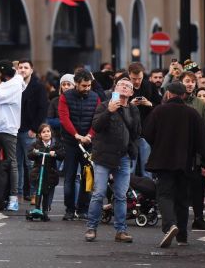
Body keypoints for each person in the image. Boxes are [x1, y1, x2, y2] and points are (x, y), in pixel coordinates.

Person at [144, 82, 205, 248]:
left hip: (163, 161)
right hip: (185, 163)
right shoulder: (192, 113)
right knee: (182, 199)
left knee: (164, 194)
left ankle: (169, 225)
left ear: (168, 94)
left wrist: (158, 144)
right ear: (183, 95)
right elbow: (202, 140)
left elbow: (147, 133)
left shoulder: (159, 111)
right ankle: (182, 236)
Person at [85, 78, 140, 244]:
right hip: (103, 156)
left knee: (121, 195)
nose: (124, 87)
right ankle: (91, 228)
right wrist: (109, 111)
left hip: (123, 157)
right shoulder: (104, 105)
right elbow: (96, 126)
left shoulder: (133, 109)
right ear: (115, 88)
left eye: (128, 86)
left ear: (131, 93)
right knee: (99, 193)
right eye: (121, 85)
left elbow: (137, 133)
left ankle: (121, 231)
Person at [58, 69, 99, 221]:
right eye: (84, 86)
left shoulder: (95, 97)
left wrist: (89, 135)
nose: (87, 88)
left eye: (89, 85)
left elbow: (97, 118)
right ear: (76, 84)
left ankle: (83, 209)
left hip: (88, 142)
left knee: (88, 177)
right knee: (69, 177)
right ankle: (69, 209)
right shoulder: (65, 97)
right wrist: (76, 135)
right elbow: (64, 118)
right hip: (70, 142)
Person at [0, 60, 25, 212]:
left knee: (12, 162)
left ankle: (13, 197)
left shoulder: (13, 84)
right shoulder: (11, 81)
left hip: (8, 128)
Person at [180, 71, 205, 230]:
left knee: (198, 186)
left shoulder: (199, 103)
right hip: (179, 150)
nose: (190, 84)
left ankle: (198, 218)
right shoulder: (175, 100)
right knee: (181, 188)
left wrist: (200, 139)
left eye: (193, 81)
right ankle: (178, 221)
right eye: (187, 81)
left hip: (196, 152)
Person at [16, 59, 48, 201]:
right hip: (13, 129)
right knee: (16, 164)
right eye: (20, 67)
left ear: (31, 70)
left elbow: (42, 108)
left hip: (29, 130)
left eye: (26, 67)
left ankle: (34, 193)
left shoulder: (38, 86)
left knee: (30, 164)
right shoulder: (13, 85)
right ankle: (19, 193)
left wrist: (35, 128)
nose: (23, 70)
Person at [127, 62, 161, 178]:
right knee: (129, 168)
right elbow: (114, 106)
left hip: (146, 132)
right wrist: (129, 104)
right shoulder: (122, 86)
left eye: (139, 78)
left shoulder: (150, 86)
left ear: (143, 75)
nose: (136, 81)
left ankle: (147, 192)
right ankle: (129, 193)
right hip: (129, 133)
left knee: (146, 167)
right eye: (133, 79)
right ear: (128, 75)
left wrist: (149, 103)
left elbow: (160, 107)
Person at [27, 123, 65, 221]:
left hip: (50, 173)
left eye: (48, 131)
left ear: (51, 133)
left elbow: (62, 154)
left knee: (47, 193)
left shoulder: (55, 144)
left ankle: (45, 210)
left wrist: (55, 153)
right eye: (43, 132)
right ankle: (37, 208)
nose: (46, 133)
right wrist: (35, 152)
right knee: (39, 190)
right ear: (40, 135)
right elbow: (29, 155)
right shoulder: (36, 144)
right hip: (38, 172)